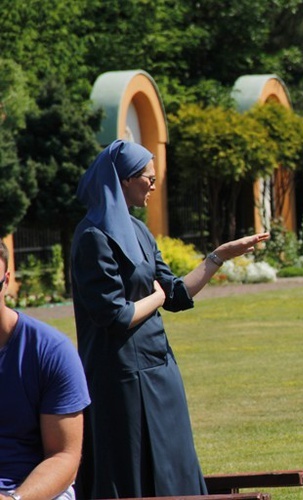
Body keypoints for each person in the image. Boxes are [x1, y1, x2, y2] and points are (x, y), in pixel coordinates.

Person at [71, 139, 270, 499]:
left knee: (174, 463)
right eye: (148, 178)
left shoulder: (140, 231)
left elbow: (175, 294)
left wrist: (217, 258)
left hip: (159, 368)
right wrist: (157, 297)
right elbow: (114, 315)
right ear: (124, 180)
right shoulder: (92, 237)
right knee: (130, 471)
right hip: (121, 378)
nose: (153, 185)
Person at [0, 241, 90, 500]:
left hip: (30, 492)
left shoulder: (51, 351)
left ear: (6, 282)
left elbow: (64, 456)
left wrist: (14, 499)